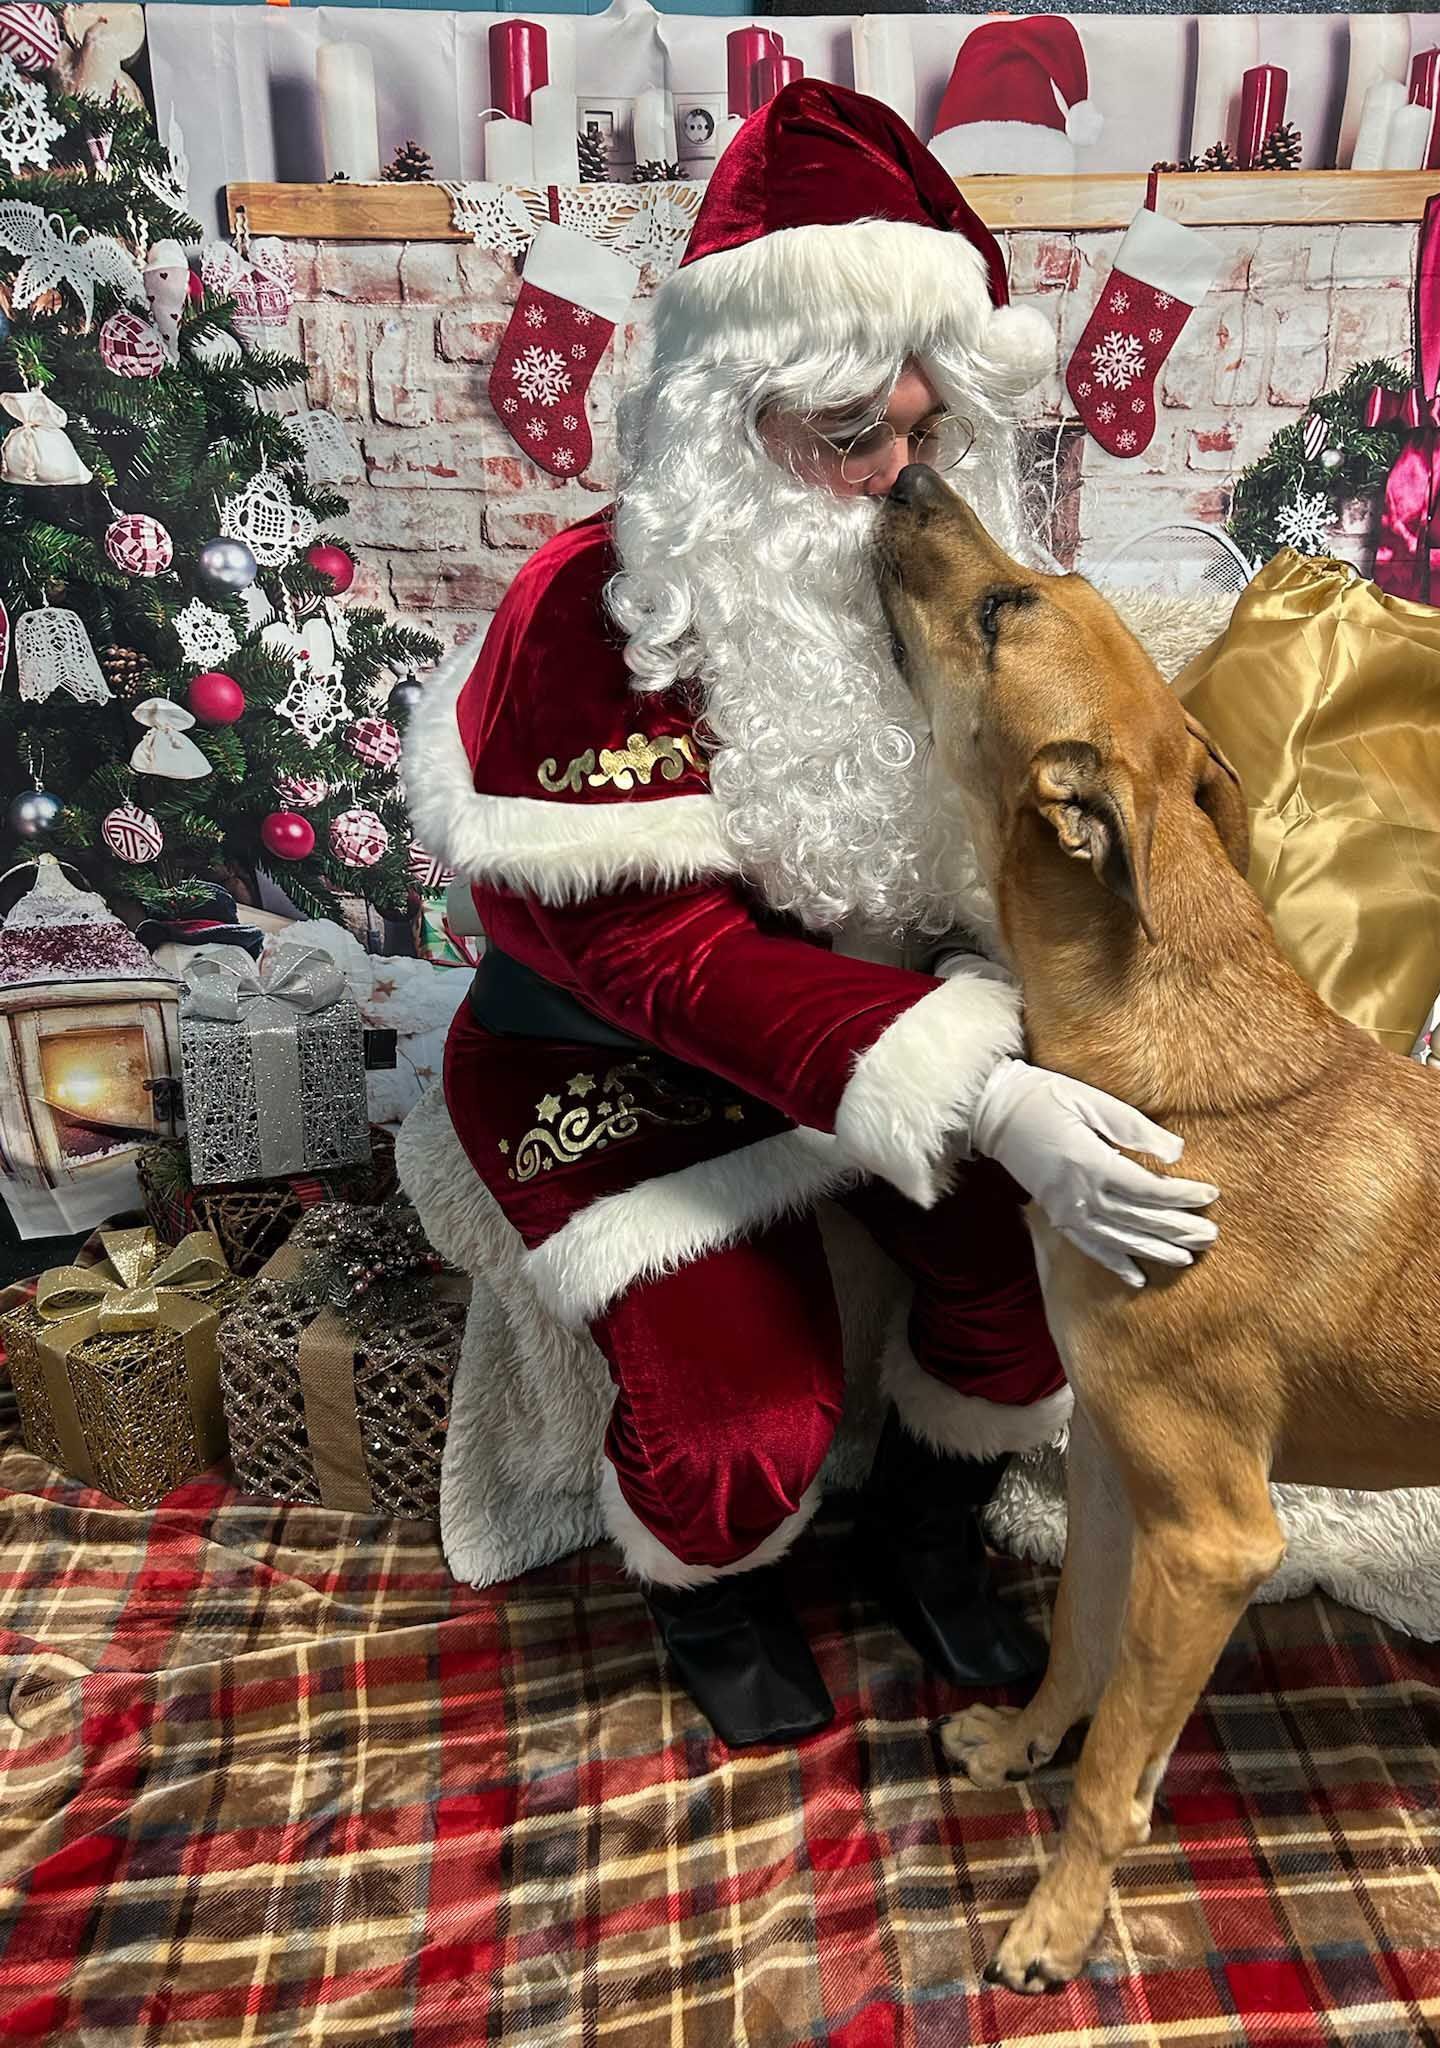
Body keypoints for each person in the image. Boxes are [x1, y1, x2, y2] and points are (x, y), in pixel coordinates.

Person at [407, 81, 1219, 1748]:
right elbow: (649, 955)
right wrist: (980, 1087)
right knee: (738, 1438)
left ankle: (927, 1536)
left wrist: (1030, 1024)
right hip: (623, 1063)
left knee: (1030, 1299)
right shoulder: (587, 612)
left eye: (921, 432)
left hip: (885, 1025)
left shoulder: (916, 569)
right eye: (853, 436)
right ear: (731, 412)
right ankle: (711, 1591)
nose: (894, 481)